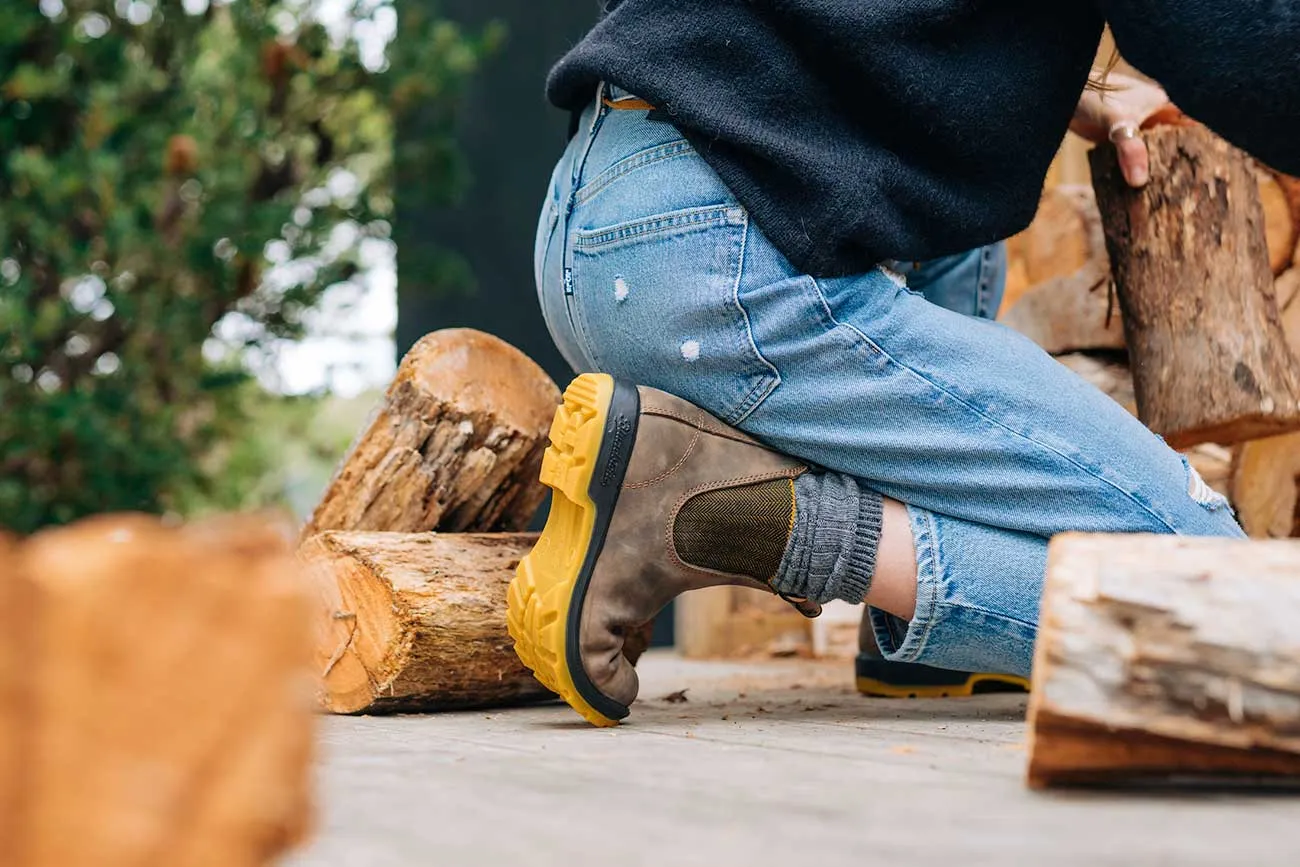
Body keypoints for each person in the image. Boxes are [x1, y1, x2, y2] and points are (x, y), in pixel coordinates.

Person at [507, 2, 1295, 728]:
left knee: (965, 219)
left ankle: (920, 633)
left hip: (603, 215)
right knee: (1211, 590)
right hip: (730, 271)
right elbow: (1228, 40)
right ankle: (725, 513)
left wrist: (1051, 85)